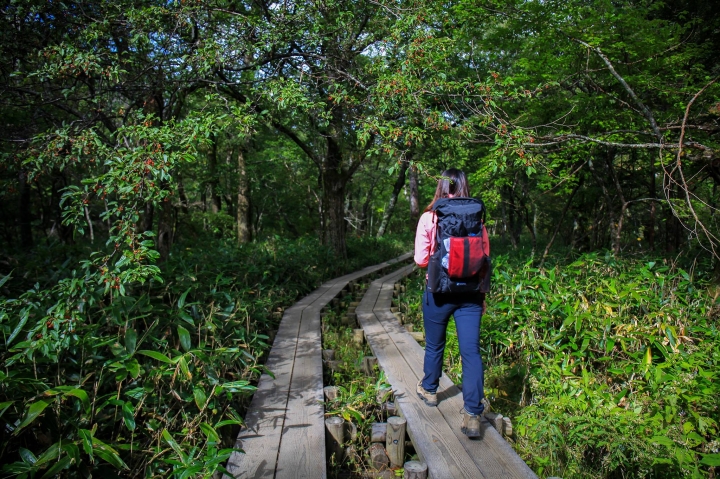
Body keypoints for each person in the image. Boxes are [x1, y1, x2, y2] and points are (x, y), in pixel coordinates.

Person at [413, 168, 490, 438]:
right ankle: (472, 414)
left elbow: (421, 260)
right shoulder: (477, 219)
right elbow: (483, 259)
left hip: (438, 292)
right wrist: (481, 297)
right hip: (470, 293)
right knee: (471, 352)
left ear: (441, 187)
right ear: (464, 186)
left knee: (435, 344)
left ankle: (430, 390)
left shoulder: (429, 217)